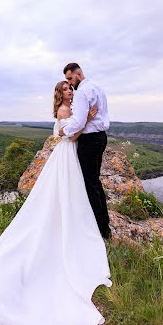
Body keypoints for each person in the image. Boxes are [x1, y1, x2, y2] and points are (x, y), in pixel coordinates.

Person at [0, 80, 112, 325]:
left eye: (71, 89)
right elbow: (66, 134)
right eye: (66, 89)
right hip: (67, 153)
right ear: (60, 94)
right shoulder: (63, 111)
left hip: (69, 154)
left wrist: (84, 121)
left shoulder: (70, 108)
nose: (71, 92)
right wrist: (86, 122)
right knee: (64, 194)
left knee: (71, 193)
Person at [58, 63, 111, 240]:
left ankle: (100, 229)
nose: (70, 84)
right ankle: (105, 226)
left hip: (89, 140)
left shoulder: (82, 92)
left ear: (79, 74)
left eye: (70, 79)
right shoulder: (97, 87)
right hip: (101, 137)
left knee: (90, 184)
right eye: (67, 81)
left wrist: (64, 131)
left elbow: (79, 122)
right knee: (95, 182)